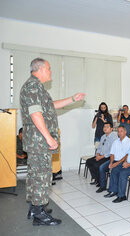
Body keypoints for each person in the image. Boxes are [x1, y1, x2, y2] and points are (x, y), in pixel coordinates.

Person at [20, 58, 85, 226]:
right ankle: (40, 215)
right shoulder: (33, 87)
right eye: (48, 69)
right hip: (40, 142)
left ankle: (35, 207)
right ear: (40, 69)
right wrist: (49, 137)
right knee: (42, 176)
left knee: (35, 175)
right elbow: (36, 114)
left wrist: (72, 99)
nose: (50, 72)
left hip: (36, 141)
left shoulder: (36, 87)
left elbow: (50, 106)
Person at [96, 125, 130, 194]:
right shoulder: (116, 141)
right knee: (102, 167)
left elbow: (126, 156)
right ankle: (103, 186)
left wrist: (116, 163)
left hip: (123, 161)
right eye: (118, 131)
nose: (119, 133)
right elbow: (112, 153)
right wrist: (111, 162)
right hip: (114, 160)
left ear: (125, 132)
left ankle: (113, 190)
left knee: (114, 170)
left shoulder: (129, 142)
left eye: (121, 131)